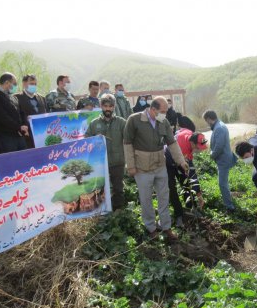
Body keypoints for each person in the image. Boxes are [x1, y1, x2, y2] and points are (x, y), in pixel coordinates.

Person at [124, 96, 188, 240]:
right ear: (153, 109)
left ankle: (166, 227)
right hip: (142, 167)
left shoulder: (163, 122)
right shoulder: (134, 120)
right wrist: (131, 166)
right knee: (146, 199)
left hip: (160, 166)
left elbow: (172, 143)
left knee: (164, 197)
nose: (165, 114)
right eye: (163, 111)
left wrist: (181, 161)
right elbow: (127, 144)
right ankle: (151, 228)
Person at [85, 94, 127, 210]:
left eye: (110, 106)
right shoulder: (94, 123)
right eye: (105, 106)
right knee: (101, 189)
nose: (108, 109)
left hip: (118, 162)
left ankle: (119, 212)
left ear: (114, 107)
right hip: (100, 163)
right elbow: (86, 140)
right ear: (101, 106)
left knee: (118, 189)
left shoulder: (121, 122)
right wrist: (94, 140)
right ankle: (103, 214)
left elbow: (129, 140)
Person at [166, 129, 207, 227]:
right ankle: (179, 214)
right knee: (171, 187)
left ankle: (191, 208)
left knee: (186, 184)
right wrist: (199, 196)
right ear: (192, 143)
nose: (200, 150)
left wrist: (198, 194)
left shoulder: (190, 134)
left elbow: (181, 129)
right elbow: (192, 174)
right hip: (168, 161)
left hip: (181, 160)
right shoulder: (183, 147)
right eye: (198, 148)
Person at [203, 110, 237, 213]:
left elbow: (219, 147)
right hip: (223, 159)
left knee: (222, 183)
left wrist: (212, 155)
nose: (207, 123)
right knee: (224, 182)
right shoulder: (219, 125)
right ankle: (229, 200)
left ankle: (230, 207)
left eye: (206, 120)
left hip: (223, 160)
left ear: (209, 119)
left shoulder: (219, 128)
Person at [0, 72, 29, 152]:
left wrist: (24, 125)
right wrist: (18, 127)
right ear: (7, 83)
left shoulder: (13, 97)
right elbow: (2, 116)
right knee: (11, 161)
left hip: (20, 135)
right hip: (7, 136)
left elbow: (22, 112)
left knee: (23, 160)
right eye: (14, 83)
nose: (15, 86)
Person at [14, 74, 47, 148]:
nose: (34, 86)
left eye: (35, 84)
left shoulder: (42, 98)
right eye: (31, 84)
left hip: (41, 134)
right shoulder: (16, 98)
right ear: (24, 83)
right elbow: (16, 116)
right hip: (26, 135)